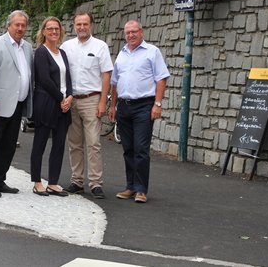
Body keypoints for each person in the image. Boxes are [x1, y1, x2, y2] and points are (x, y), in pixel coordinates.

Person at [109, 20, 170, 203]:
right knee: (128, 148)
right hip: (124, 106)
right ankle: (130, 186)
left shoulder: (152, 52)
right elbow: (114, 82)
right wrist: (113, 106)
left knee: (141, 149)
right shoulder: (122, 54)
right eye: (128, 33)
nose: (131, 35)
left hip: (144, 105)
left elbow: (161, 79)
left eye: (134, 32)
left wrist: (157, 104)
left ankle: (141, 189)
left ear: (141, 32)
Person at [0, 10, 33, 198]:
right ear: (8, 25)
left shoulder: (27, 48)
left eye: (23, 25)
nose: (20, 28)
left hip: (16, 105)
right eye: (16, 24)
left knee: (8, 146)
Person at [61, 12, 113, 199]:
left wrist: (102, 102)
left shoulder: (100, 46)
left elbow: (106, 74)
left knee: (94, 143)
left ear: (91, 25)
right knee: (74, 143)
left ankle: (96, 183)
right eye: (78, 24)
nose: (82, 27)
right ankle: (77, 181)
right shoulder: (66, 47)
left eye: (85, 24)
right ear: (74, 26)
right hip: (71, 100)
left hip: (92, 100)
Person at [30, 17, 73, 197]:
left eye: (56, 29)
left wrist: (70, 96)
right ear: (44, 31)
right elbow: (45, 80)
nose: (54, 32)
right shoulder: (41, 52)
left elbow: (68, 77)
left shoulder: (62, 53)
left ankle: (53, 183)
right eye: (50, 29)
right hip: (47, 103)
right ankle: (37, 182)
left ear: (60, 31)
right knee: (39, 143)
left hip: (63, 105)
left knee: (59, 144)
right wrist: (61, 98)